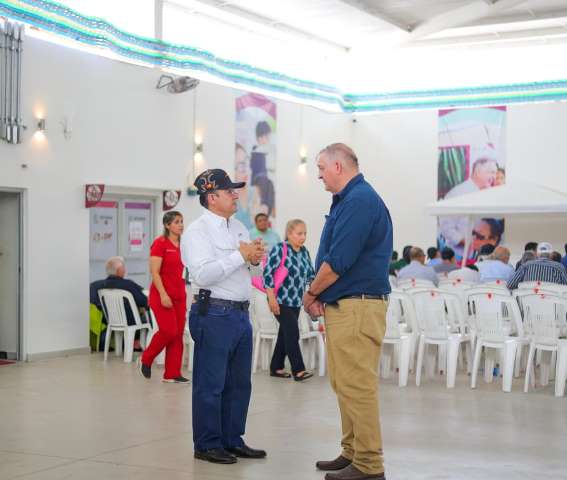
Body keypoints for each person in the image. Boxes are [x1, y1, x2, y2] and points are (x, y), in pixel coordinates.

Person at [302, 143, 392, 480]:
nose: (319, 175)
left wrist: (312, 292)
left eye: (321, 168)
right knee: (344, 383)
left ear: (338, 166)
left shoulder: (360, 201)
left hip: (358, 305)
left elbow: (339, 260)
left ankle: (369, 465)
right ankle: (352, 450)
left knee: (357, 384)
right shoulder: (348, 200)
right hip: (346, 304)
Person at [183, 168, 266, 465]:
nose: (235, 195)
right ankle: (207, 444)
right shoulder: (197, 232)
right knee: (211, 384)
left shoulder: (240, 228)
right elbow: (203, 275)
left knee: (239, 384)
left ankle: (232, 439)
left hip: (241, 313)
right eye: (229, 191)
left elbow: (253, 273)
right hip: (214, 313)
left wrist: (255, 259)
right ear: (211, 197)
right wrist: (240, 256)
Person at [139, 211, 189, 384]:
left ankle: (172, 374)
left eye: (182, 221)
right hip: (162, 295)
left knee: (178, 335)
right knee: (169, 331)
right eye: (177, 222)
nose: (181, 225)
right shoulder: (160, 243)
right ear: (167, 225)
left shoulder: (184, 245)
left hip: (179, 295)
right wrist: (163, 294)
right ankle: (146, 358)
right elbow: (154, 272)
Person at [264, 219, 315, 381]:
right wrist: (271, 298)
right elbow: (267, 273)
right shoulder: (280, 248)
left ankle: (276, 367)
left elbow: (311, 275)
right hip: (280, 300)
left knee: (285, 333)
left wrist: (315, 292)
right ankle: (298, 370)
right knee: (292, 331)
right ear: (289, 234)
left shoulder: (304, 252)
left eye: (305, 233)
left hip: (296, 301)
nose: (303, 237)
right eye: (299, 233)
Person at [90, 256, 149, 350]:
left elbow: (95, 304)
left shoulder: (95, 286)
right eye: (123, 268)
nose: (125, 270)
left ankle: (131, 343)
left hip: (109, 323)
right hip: (131, 324)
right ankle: (142, 345)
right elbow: (145, 302)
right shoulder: (129, 285)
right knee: (148, 318)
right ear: (119, 271)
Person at [250, 121, 275, 216]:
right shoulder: (257, 150)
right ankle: (264, 204)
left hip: (263, 178)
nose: (268, 140)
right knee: (264, 179)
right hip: (257, 178)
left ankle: (267, 209)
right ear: (260, 137)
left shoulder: (263, 150)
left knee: (270, 185)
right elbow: (255, 167)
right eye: (267, 137)